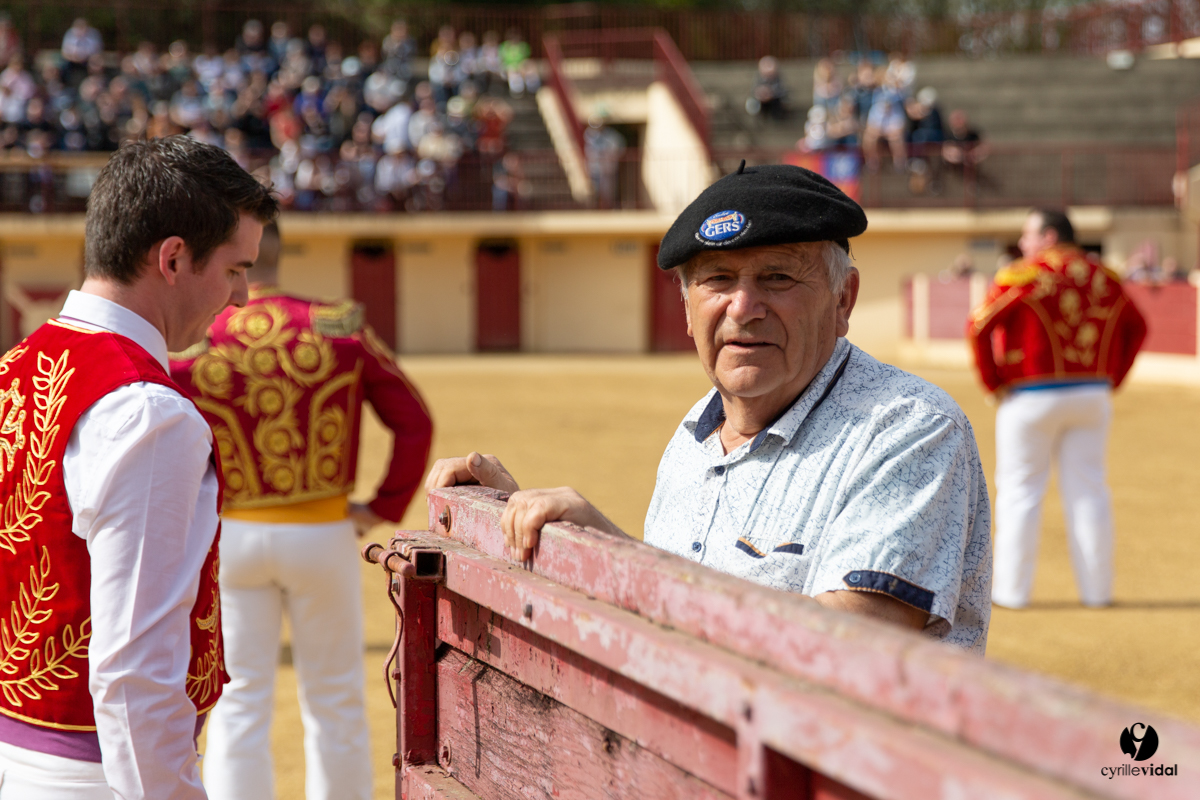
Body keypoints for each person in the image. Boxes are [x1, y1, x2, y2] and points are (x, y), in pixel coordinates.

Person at [429, 164, 993, 652]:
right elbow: (675, 616)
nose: (743, 308)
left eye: (777, 277)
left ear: (843, 300)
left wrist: (620, 556)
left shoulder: (906, 428)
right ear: (686, 308)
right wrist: (530, 528)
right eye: (717, 280)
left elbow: (853, 647)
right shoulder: (695, 436)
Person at [0, 136, 278, 798]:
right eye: (236, 269)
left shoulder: (12, 370)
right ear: (174, 258)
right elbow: (134, 677)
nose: (240, 297)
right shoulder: (150, 415)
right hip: (93, 775)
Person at [169, 222, 433, 800]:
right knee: (335, 698)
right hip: (323, 532)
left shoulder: (195, 340)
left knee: (237, 701)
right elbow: (415, 421)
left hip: (229, 536)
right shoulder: (335, 325)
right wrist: (378, 508)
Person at [967, 210, 1147, 609]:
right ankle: (1097, 593)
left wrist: (994, 382)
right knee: (1090, 490)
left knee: (1020, 491)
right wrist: (1112, 377)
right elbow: (1139, 326)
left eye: (1028, 235)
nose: (1024, 244)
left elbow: (979, 327)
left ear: (1049, 236)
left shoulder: (1024, 276)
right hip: (1091, 395)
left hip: (1031, 397)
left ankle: (1012, 593)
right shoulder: (1105, 277)